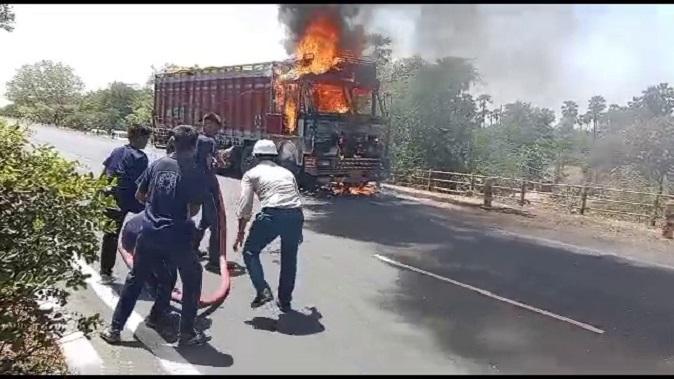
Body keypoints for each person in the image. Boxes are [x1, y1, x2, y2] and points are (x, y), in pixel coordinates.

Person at [100, 125, 210, 347]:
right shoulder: (196, 171)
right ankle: (186, 333)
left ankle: (115, 329)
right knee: (192, 277)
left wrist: (157, 205)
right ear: (195, 145)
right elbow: (194, 210)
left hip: (149, 233)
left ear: (172, 142)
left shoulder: (158, 164)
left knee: (135, 280)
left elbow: (140, 196)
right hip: (177, 235)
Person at [233, 139, 304, 312]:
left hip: (272, 215)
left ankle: (262, 290)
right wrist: (298, 229)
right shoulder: (287, 173)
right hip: (295, 215)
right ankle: (285, 301)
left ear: (255, 156)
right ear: (274, 156)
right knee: (289, 257)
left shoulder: (251, 174)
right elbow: (295, 198)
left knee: (250, 251)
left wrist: (241, 232)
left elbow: (245, 207)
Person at [98, 124, 152, 285]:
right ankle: (146, 268)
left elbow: (105, 172)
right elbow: (142, 184)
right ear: (138, 138)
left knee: (111, 235)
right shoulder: (140, 157)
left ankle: (105, 273)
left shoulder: (117, 151)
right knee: (150, 226)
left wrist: (99, 193)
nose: (147, 142)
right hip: (129, 197)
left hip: (110, 197)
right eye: (146, 138)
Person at [192, 113, 226, 273]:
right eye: (210, 125)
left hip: (196, 185)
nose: (214, 129)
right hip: (207, 186)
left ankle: (193, 247)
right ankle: (214, 260)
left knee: (205, 220)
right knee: (217, 223)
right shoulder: (207, 141)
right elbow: (208, 165)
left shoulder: (198, 139)